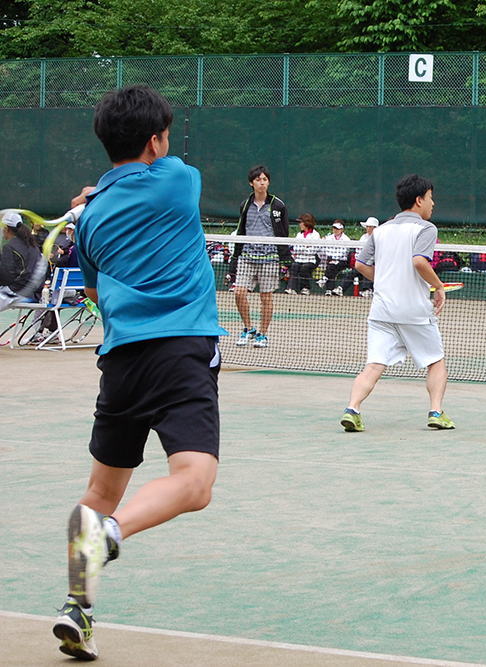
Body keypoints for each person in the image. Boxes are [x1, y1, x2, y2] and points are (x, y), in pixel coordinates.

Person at [52, 84, 224, 661]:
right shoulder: (179, 180)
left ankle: (77, 605)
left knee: (99, 491)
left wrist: (96, 197)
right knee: (195, 484)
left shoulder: (92, 220)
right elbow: (161, 166)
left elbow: (97, 294)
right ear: (155, 142)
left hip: (120, 362)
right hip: (179, 354)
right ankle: (111, 534)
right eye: (165, 135)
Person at [341, 174, 454, 432]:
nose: (433, 203)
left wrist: (384, 280)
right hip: (413, 311)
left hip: (381, 311)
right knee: (436, 361)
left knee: (374, 364)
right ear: (418, 200)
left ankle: (352, 409)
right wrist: (438, 286)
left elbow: (360, 264)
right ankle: (436, 411)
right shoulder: (426, 228)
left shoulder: (380, 230)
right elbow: (419, 262)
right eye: (430, 197)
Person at [231, 165, 288, 348]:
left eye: (264, 179)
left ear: (268, 182)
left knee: (266, 297)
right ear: (251, 183)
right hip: (247, 257)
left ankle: (263, 334)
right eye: (258, 179)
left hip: (269, 258)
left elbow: (283, 232)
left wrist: (285, 259)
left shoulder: (278, 205)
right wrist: (236, 256)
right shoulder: (245, 205)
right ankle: (248, 328)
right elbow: (241, 230)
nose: (262, 183)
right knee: (239, 293)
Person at [0, 212, 48, 312]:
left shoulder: (10, 246)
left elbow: (6, 277)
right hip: (36, 293)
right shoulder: (32, 244)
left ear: (6, 228)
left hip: (18, 293)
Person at [285, 213, 321, 295]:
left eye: (301, 222)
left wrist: (303, 249)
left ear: (307, 223)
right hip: (299, 259)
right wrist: (306, 247)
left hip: (311, 260)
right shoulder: (299, 235)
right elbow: (295, 248)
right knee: (294, 266)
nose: (300, 224)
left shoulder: (315, 235)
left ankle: (305, 288)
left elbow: (313, 250)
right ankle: (291, 288)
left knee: (304, 268)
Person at [321, 220, 355, 296]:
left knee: (332, 266)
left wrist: (335, 258)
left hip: (342, 261)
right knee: (332, 266)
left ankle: (325, 281)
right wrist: (332, 258)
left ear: (342, 229)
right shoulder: (329, 238)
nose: (335, 230)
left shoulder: (346, 239)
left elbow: (343, 252)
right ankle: (329, 289)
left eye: (337, 229)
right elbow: (327, 250)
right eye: (334, 228)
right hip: (331, 261)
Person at [357, 217, 379, 296]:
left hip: (376, 262)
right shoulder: (363, 237)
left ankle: (368, 290)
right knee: (354, 271)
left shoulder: (378, 237)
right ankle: (340, 289)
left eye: (370, 227)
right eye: (367, 227)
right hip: (363, 262)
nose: (368, 229)